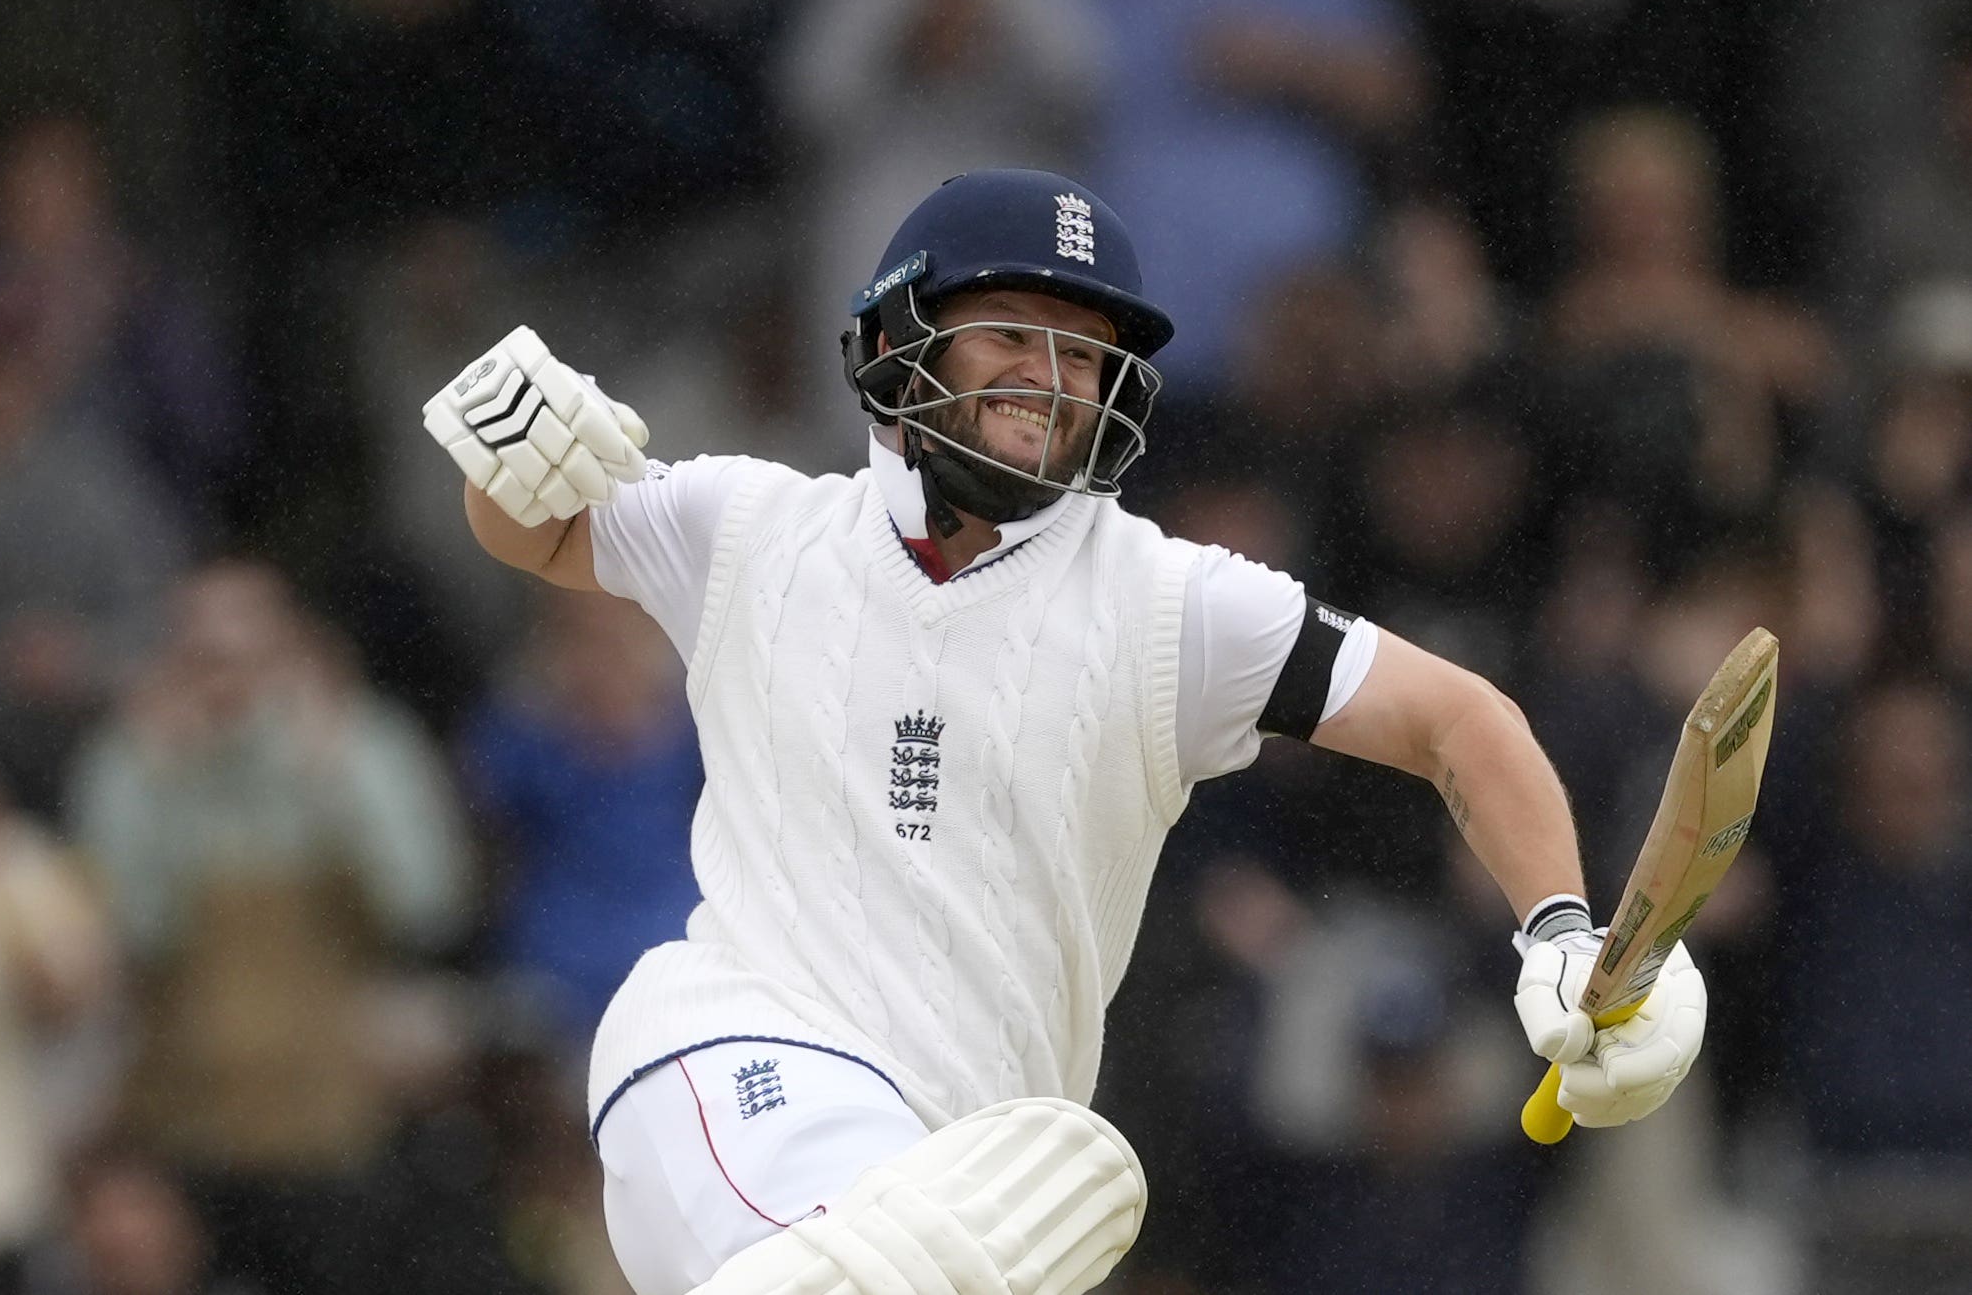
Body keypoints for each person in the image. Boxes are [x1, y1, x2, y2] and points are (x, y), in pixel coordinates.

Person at [421, 168, 1710, 1295]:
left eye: (1085, 355)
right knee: (863, 1260)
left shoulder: (1175, 605)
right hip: (728, 1071)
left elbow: (1456, 721)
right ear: (893, 338)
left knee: (922, 1250)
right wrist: (515, 462)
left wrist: (1562, 932)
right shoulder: (749, 526)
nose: (1053, 380)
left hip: (984, 1184)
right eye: (1014, 333)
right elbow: (541, 533)